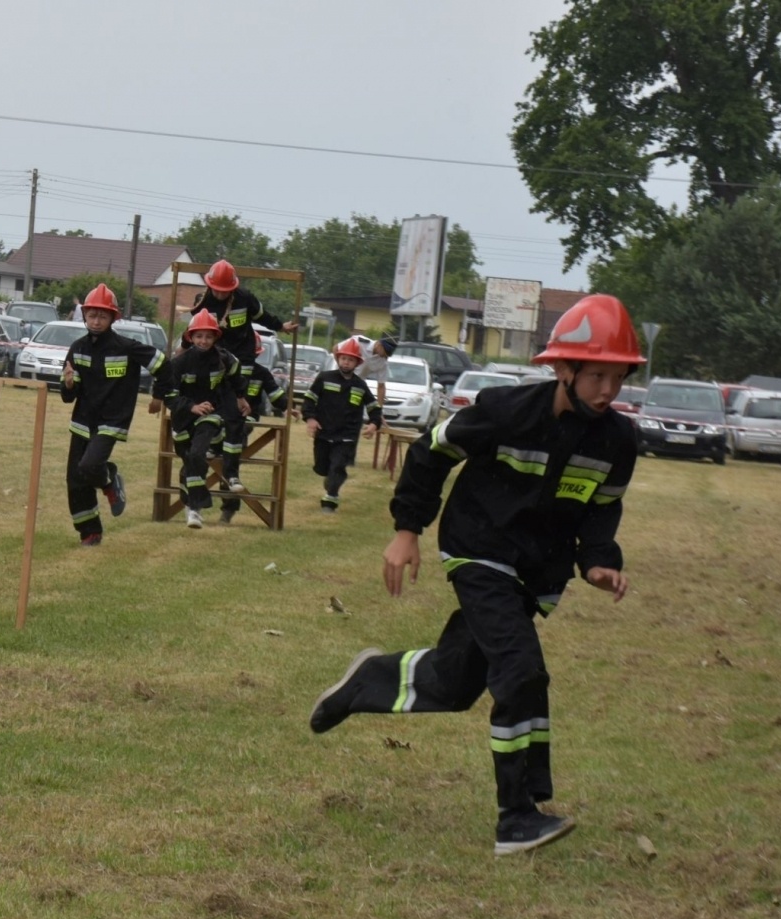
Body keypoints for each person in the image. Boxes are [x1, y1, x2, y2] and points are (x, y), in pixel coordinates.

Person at [307, 293, 643, 857]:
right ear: (564, 369)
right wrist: (407, 528)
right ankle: (518, 815)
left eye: (618, 378)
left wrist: (599, 561)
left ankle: (368, 681)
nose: (608, 390)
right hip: (479, 551)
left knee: (457, 681)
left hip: (536, 573)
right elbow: (431, 452)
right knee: (522, 671)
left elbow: (601, 509)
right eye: (597, 377)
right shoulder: (506, 411)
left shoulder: (619, 441)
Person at [184, 260, 299, 521]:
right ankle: (214, 444)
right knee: (215, 409)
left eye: (224, 290)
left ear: (233, 287)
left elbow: (264, 317)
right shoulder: (203, 304)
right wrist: (183, 352)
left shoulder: (246, 298)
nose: (220, 293)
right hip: (216, 360)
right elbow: (193, 331)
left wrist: (281, 326)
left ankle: (231, 472)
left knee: (235, 415)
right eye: (216, 289)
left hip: (243, 359)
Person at [60, 283, 165, 546]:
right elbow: (68, 396)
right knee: (76, 479)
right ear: (84, 316)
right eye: (92, 315)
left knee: (89, 466)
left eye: (102, 316)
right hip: (82, 422)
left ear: (113, 318)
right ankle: (90, 532)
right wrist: (69, 384)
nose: (96, 321)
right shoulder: (77, 348)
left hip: (112, 422)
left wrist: (158, 395)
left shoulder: (126, 347)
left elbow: (164, 365)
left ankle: (109, 479)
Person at [150, 309, 246, 528]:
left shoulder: (224, 359)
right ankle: (191, 505)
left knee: (196, 454)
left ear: (216, 338)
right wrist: (191, 407)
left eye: (209, 336)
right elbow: (170, 396)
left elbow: (236, 375)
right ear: (191, 337)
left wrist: (241, 397)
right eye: (199, 336)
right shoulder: (179, 363)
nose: (204, 341)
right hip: (183, 420)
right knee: (191, 464)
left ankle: (194, 510)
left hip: (210, 415)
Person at [298, 335, 384, 511]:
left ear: (357, 363)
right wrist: (310, 419)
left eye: (350, 360)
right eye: (343, 358)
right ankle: (332, 479)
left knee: (337, 466)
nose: (346, 363)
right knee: (322, 468)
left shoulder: (360, 385)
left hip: (347, 436)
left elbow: (374, 407)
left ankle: (330, 500)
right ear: (338, 359)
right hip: (324, 432)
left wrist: (374, 424)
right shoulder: (324, 378)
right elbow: (309, 401)